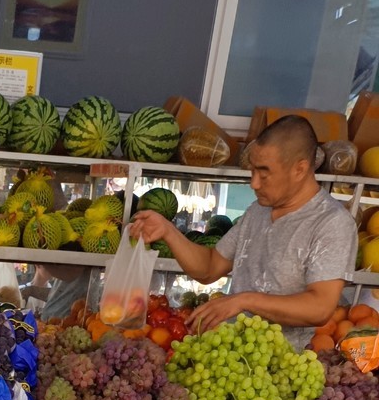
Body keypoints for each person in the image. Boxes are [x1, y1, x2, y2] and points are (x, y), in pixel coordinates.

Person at [129, 115, 358, 351]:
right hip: (233, 356)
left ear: (299, 169)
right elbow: (209, 267)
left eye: (264, 173)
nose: (254, 183)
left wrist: (244, 300)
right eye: (252, 171)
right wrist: (168, 231)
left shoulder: (331, 223)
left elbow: (320, 308)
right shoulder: (257, 211)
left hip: (278, 369)